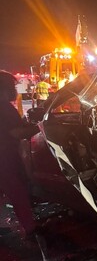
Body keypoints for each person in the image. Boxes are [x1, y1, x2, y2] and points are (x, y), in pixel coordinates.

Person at [0, 70, 39, 238]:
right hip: (4, 158)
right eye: (13, 86)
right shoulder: (4, 108)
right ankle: (30, 229)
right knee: (17, 191)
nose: (15, 89)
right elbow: (16, 133)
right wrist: (40, 127)